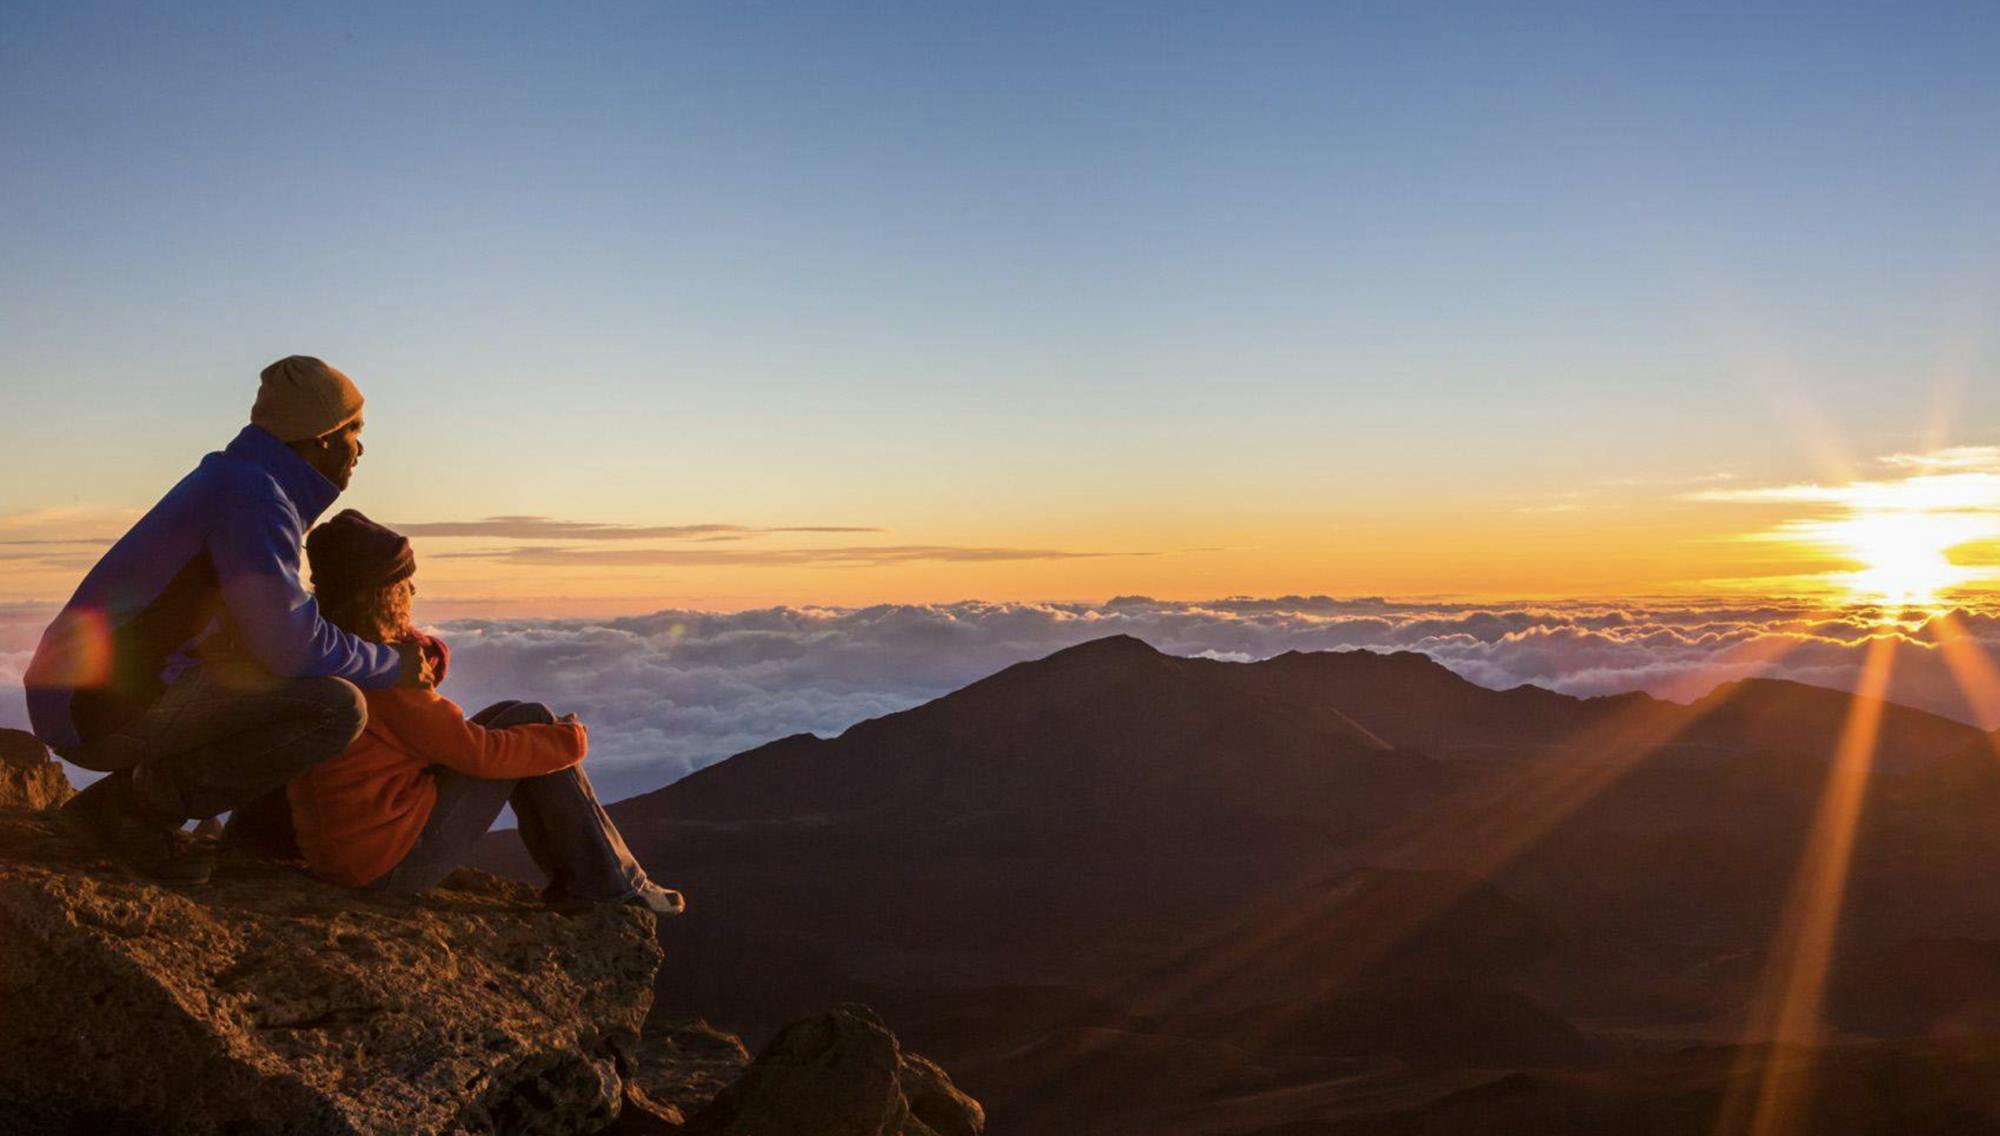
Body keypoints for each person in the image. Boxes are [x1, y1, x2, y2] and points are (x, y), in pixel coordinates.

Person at [25, 356, 434, 884]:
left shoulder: (239, 481)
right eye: (355, 430)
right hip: (94, 705)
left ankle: (133, 806)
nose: (362, 448)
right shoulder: (255, 499)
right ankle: (132, 814)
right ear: (323, 437)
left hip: (82, 690)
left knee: (289, 677)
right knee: (334, 707)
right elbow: (291, 646)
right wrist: (390, 663)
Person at [288, 510, 685, 915]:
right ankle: (609, 885)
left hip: (349, 851)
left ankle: (602, 879)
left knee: (522, 715)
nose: (413, 590)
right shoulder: (384, 675)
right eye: (404, 582)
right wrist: (571, 740)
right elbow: (479, 755)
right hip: (386, 864)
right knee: (538, 728)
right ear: (382, 594)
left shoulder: (339, 656)